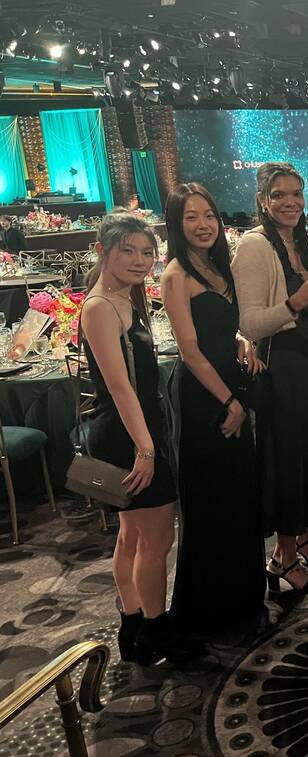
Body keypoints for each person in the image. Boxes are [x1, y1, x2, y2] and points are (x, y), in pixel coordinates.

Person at [79, 211, 187, 665]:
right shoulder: (99, 307)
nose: (140, 260)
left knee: (131, 534)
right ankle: (155, 633)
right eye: (128, 250)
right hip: (127, 436)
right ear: (102, 251)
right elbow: (120, 387)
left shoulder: (123, 296)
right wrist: (146, 450)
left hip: (128, 430)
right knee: (155, 540)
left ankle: (133, 625)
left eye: (147, 252)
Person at [161, 182, 266, 633]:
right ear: (176, 224)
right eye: (191, 217)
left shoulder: (220, 265)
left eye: (208, 215)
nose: (203, 225)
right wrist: (230, 402)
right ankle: (209, 610)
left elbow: (225, 328)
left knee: (239, 494)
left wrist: (242, 341)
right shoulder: (175, 274)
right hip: (203, 394)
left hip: (229, 382)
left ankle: (242, 597)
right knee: (210, 501)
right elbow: (190, 351)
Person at [233, 162, 308, 594]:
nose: (290, 201)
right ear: (263, 200)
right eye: (279, 194)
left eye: (296, 193)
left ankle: (301, 539)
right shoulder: (254, 245)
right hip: (282, 368)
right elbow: (250, 323)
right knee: (288, 459)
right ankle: (283, 558)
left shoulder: (304, 241)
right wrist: (297, 302)